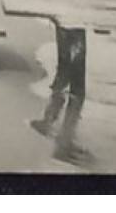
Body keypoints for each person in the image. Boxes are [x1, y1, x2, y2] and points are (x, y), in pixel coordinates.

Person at [31, 23, 90, 163]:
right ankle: (64, 144)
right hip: (75, 21)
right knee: (77, 85)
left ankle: (48, 120)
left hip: (65, 20)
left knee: (64, 70)